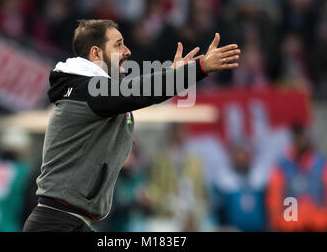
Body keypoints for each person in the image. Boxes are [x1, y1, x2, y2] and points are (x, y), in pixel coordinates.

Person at [23, 19, 240, 232]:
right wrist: (198, 69)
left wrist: (173, 76)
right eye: (118, 45)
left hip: (67, 221)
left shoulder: (89, 91)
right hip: (57, 222)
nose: (127, 51)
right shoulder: (88, 90)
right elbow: (138, 92)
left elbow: (134, 93)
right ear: (96, 54)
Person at [266, 124, 327, 231]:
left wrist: (325, 220)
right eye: (298, 135)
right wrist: (282, 222)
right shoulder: (282, 166)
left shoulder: (323, 164)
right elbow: (274, 200)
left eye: (304, 135)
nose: (301, 139)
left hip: (319, 226)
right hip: (290, 227)